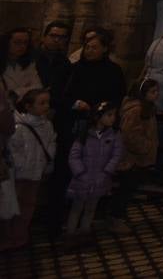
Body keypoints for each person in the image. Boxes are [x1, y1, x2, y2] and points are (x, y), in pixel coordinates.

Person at [0, 88, 55, 251]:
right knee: (12, 207)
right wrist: (22, 164)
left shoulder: (47, 125)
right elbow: (13, 149)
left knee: (28, 207)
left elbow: (51, 143)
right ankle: (8, 238)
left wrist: (46, 161)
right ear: (28, 106)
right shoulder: (19, 126)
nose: (46, 106)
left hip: (35, 173)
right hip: (19, 175)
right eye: (41, 103)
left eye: (47, 102)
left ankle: (20, 237)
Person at [65, 100, 122, 240]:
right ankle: (70, 235)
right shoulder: (85, 134)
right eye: (109, 115)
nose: (113, 118)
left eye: (114, 115)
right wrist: (80, 173)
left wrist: (106, 172)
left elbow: (116, 155)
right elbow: (74, 156)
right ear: (98, 117)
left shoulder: (114, 135)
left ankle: (84, 232)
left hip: (100, 179)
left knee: (91, 208)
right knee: (76, 208)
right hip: (82, 179)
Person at [110, 79, 159, 230]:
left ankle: (119, 216)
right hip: (131, 158)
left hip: (137, 158)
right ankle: (116, 219)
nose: (156, 95)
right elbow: (129, 134)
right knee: (125, 189)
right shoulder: (136, 110)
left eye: (157, 91)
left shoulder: (147, 108)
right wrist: (146, 146)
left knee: (129, 188)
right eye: (153, 92)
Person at [63, 28, 125, 128]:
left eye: (94, 48)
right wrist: (76, 103)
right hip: (76, 118)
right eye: (87, 47)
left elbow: (118, 95)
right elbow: (65, 93)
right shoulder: (76, 68)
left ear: (104, 49)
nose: (89, 51)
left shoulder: (114, 70)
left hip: (103, 119)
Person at [34, 21, 72, 105]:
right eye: (53, 36)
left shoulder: (65, 62)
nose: (57, 40)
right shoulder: (31, 57)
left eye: (62, 37)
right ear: (44, 37)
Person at [1, 28, 41, 101]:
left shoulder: (30, 64)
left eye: (25, 43)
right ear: (6, 43)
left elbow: (38, 86)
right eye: (17, 42)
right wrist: (27, 88)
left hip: (23, 105)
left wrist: (17, 92)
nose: (22, 46)